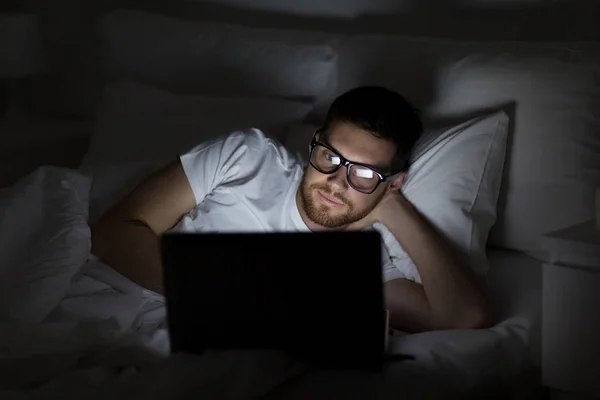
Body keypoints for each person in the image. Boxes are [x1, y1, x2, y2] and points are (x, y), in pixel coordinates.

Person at [91, 86, 491, 333]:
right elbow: (115, 230)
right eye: (330, 157)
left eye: (364, 174)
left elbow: (463, 317)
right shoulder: (247, 157)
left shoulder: (366, 260)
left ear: (393, 184)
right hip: (106, 302)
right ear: (315, 143)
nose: (336, 182)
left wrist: (395, 211)